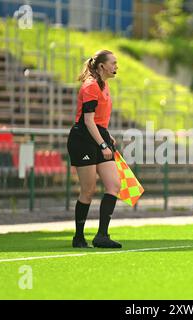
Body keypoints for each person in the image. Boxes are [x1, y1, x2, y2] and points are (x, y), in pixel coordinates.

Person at [67, 50, 121, 248]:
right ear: (101, 66)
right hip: (83, 139)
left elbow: (98, 120)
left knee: (114, 185)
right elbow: (88, 121)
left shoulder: (104, 84)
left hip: (98, 134)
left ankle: (102, 236)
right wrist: (103, 144)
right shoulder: (90, 86)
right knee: (88, 190)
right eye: (113, 63)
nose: (116, 66)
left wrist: (106, 135)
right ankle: (78, 237)